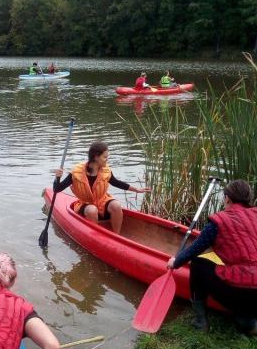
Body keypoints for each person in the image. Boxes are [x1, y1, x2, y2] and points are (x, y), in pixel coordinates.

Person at [167, 180, 257, 334]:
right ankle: (247, 321)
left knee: (198, 262)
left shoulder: (218, 221)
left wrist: (175, 262)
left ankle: (200, 321)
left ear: (227, 198)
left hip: (241, 289)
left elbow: (194, 250)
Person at [54, 141, 151, 234]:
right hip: (84, 204)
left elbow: (116, 182)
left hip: (102, 200)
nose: (107, 159)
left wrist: (136, 190)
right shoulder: (76, 172)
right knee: (92, 210)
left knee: (116, 205)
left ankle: (116, 236)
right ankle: (95, 236)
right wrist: (57, 178)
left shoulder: (106, 170)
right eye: (105, 157)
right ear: (96, 157)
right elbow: (57, 189)